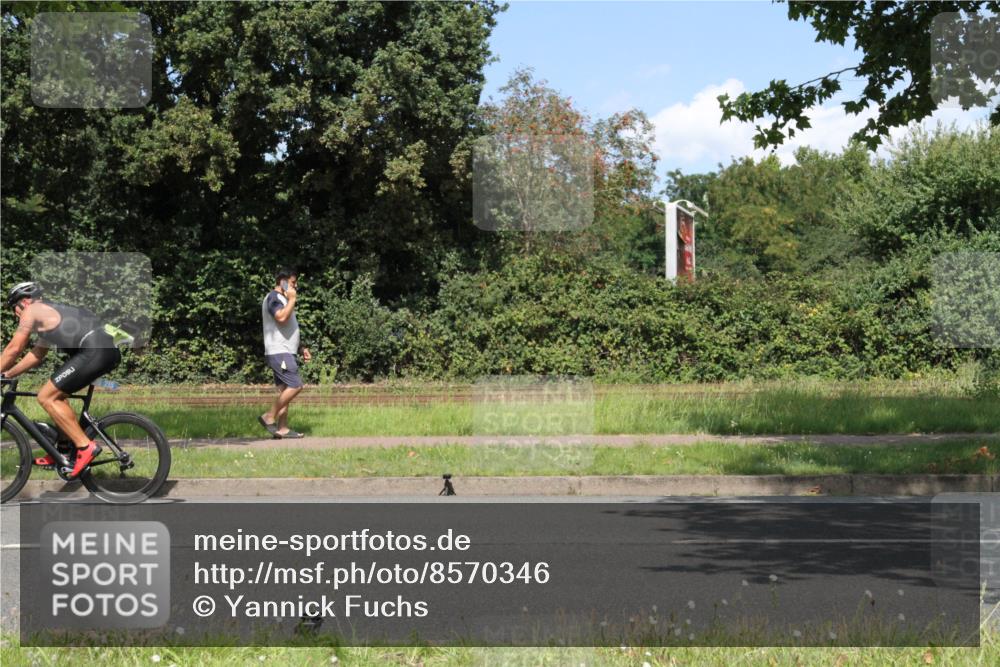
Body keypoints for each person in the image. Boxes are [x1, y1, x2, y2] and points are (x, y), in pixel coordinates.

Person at [0, 282, 121, 477]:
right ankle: (63, 451)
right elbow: (37, 355)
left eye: (14, 307)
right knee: (57, 396)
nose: (15, 313)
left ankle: (85, 447)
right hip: (101, 350)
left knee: (46, 396)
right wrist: (8, 374)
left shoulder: (32, 311)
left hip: (95, 351)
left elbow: (14, 348)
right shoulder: (46, 315)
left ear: (24, 302)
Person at [259, 267, 311, 438]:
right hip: (280, 352)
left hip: (285, 350)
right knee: (296, 385)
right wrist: (292, 299)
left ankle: (282, 428)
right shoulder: (274, 298)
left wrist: (301, 348)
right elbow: (281, 318)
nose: (295, 287)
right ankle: (269, 416)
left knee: (285, 391)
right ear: (283, 282)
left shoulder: (283, 299)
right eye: (292, 283)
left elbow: (287, 329)